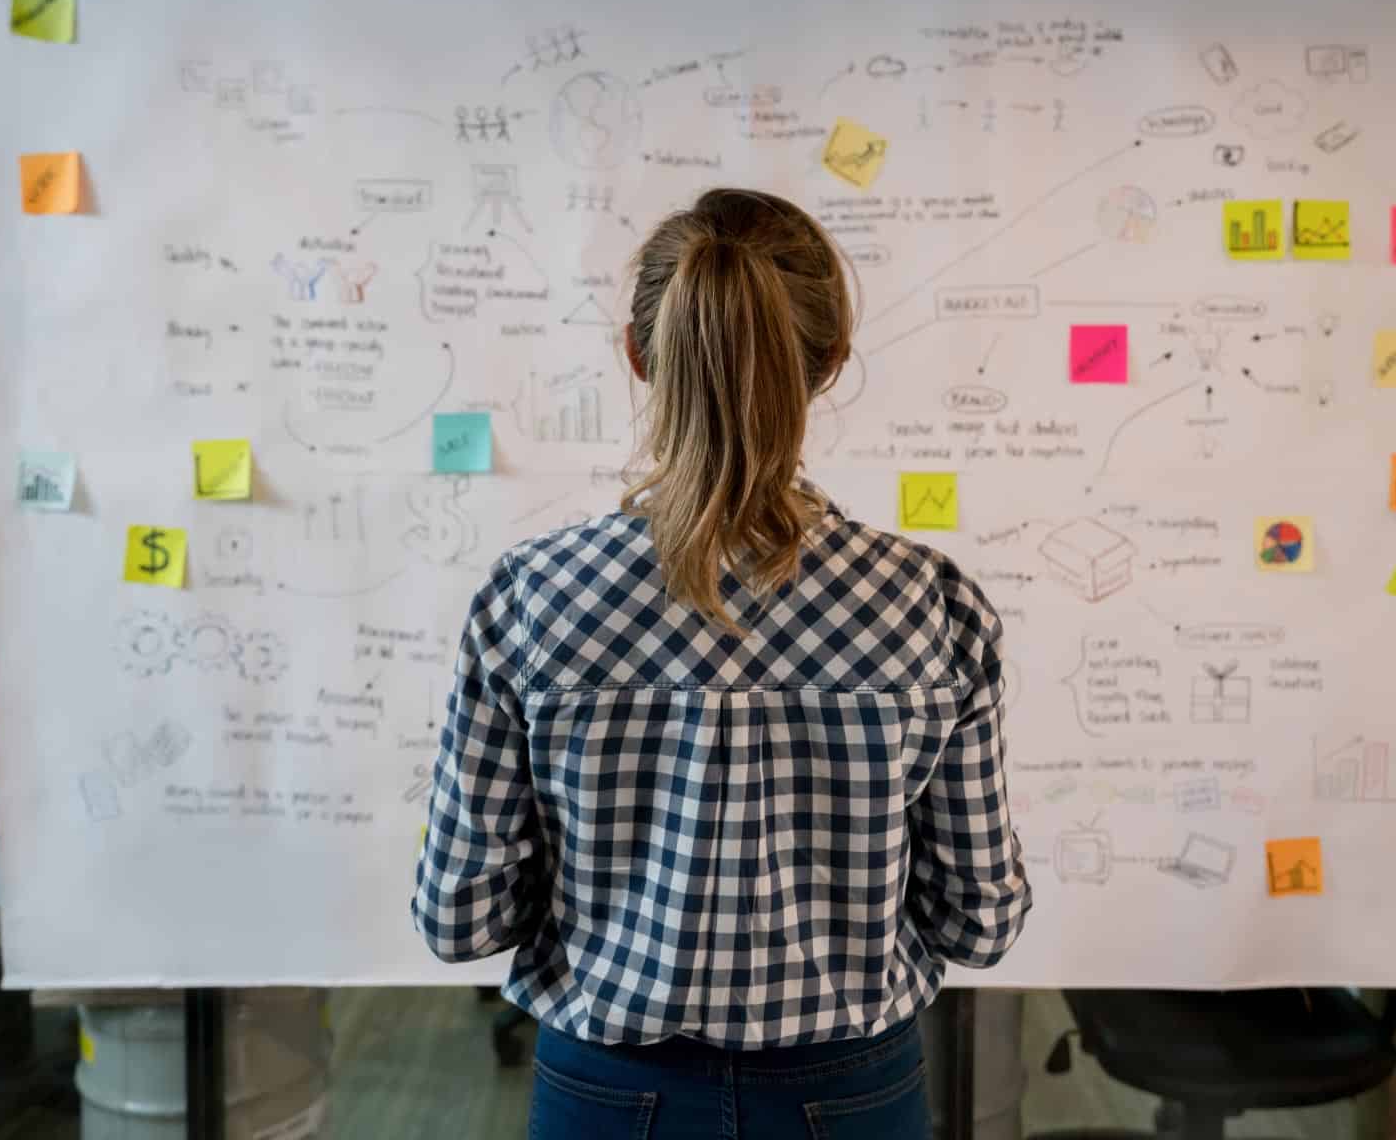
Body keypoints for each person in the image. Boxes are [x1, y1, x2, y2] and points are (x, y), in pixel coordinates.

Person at [414, 188, 1031, 1139]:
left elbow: (460, 917)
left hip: (609, 1091)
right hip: (851, 1093)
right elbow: (979, 924)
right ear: (827, 366)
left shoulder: (531, 597)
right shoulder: (929, 602)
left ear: (637, 354)